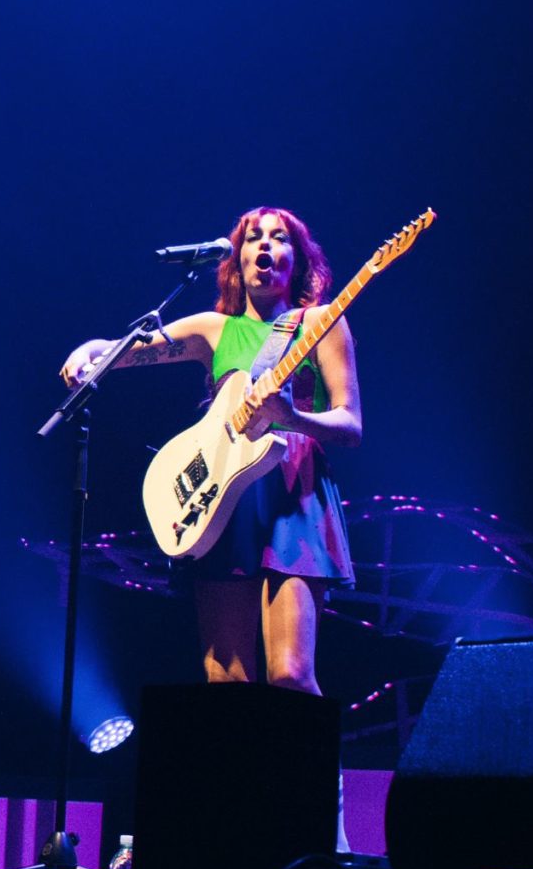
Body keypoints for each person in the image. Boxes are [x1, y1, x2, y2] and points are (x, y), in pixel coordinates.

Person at [59, 206, 361, 693]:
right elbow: (124, 351)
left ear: (298, 258)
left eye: (279, 237)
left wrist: (292, 418)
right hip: (225, 493)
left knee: (290, 673)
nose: (265, 245)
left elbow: (351, 424)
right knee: (225, 677)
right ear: (237, 258)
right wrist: (91, 348)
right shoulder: (212, 329)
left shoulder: (323, 322)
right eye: (253, 237)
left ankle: (311, 750)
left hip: (294, 491)